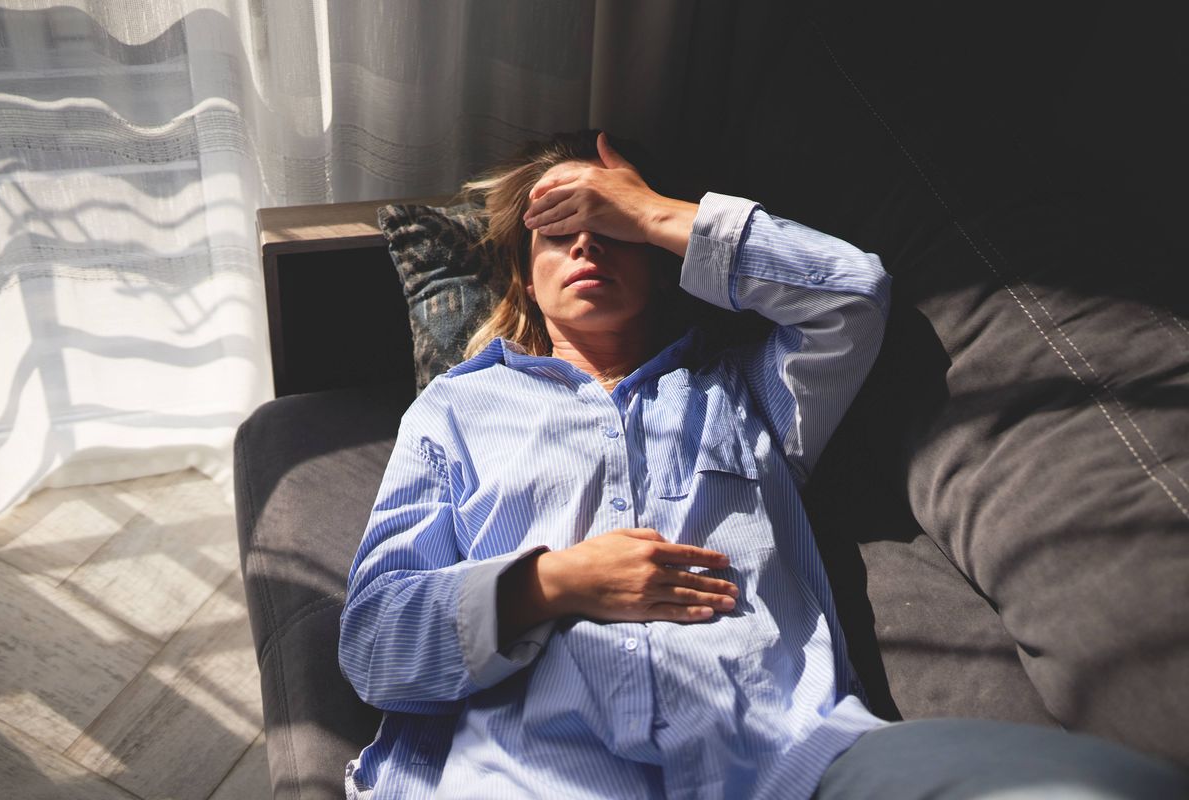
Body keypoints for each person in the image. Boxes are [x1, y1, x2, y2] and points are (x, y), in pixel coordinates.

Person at [338, 131, 1187, 799]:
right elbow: (376, 643)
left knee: (1100, 786)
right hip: (531, 776)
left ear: (664, 264)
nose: (589, 249)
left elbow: (851, 296)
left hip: (792, 762)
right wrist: (551, 585)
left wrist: (656, 209)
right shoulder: (455, 412)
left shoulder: (745, 388)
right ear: (524, 279)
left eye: (615, 234)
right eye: (560, 235)